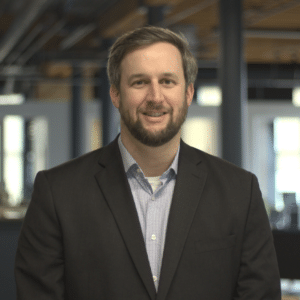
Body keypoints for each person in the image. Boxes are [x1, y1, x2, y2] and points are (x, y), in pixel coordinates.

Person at [15, 25, 281, 300]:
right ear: (116, 94)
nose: (155, 97)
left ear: (188, 93)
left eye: (168, 81)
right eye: (139, 82)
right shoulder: (58, 192)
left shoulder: (240, 191)